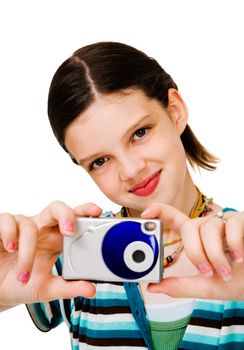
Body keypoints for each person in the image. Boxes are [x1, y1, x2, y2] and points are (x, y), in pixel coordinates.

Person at [1, 41, 244, 349]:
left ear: (175, 111)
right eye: (100, 161)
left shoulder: (240, 245)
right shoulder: (74, 254)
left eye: (140, 133)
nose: (130, 170)